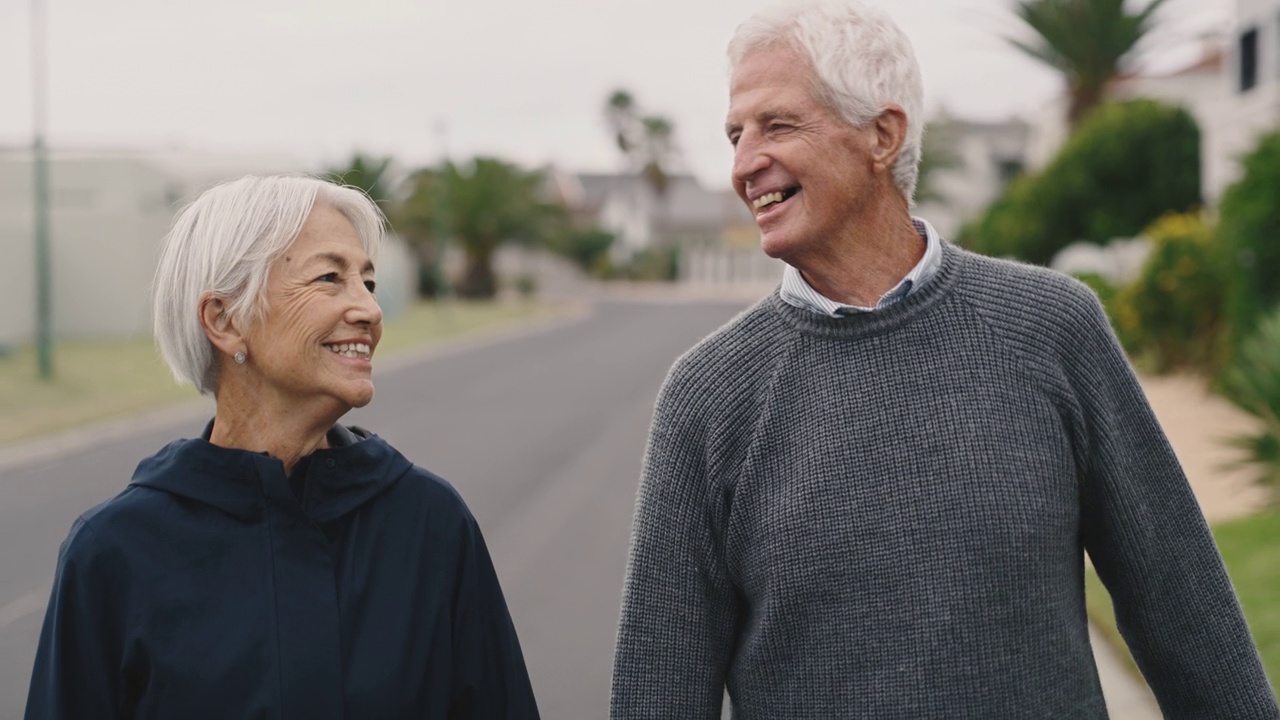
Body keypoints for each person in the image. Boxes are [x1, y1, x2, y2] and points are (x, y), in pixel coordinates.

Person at [610, 1, 1278, 717]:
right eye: (735, 134)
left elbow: (1181, 606)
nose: (744, 165)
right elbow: (660, 687)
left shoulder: (1052, 329)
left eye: (777, 125)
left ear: (882, 135)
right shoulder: (707, 395)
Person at [25, 176, 540, 719]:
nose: (368, 308)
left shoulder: (430, 524)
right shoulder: (115, 551)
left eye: (367, 281)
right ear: (224, 320)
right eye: (329, 278)